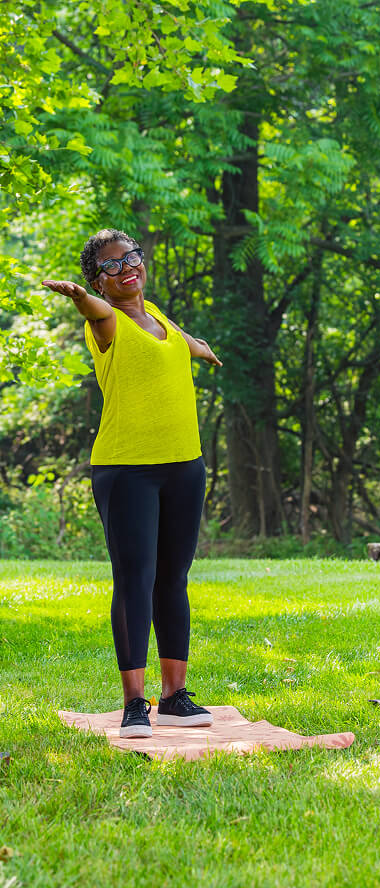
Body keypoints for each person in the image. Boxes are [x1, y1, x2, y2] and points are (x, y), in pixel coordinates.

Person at [43, 229, 222, 738]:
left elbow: (174, 340)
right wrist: (83, 298)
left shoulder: (157, 315)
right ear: (98, 280)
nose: (127, 269)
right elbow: (98, 313)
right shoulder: (107, 322)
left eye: (131, 259)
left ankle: (175, 696)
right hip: (127, 471)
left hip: (184, 465)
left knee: (173, 578)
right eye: (112, 266)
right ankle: (134, 704)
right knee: (135, 579)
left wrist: (199, 349)